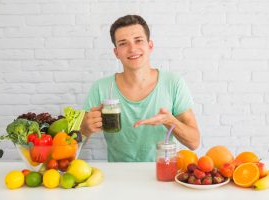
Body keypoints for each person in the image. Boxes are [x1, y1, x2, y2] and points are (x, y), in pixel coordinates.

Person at [80, 15, 200, 162]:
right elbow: (74, 143)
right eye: (123, 43)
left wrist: (170, 121)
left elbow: (194, 142)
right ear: (116, 52)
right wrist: (86, 128)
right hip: (119, 177)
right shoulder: (101, 88)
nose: (132, 48)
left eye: (138, 40)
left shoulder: (173, 83)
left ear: (150, 46)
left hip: (163, 174)